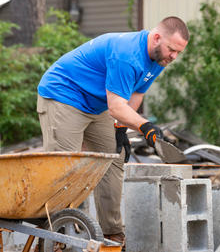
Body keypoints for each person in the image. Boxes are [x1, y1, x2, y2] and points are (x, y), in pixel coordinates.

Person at [36, 16, 189, 246]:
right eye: (171, 49)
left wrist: (120, 128)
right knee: (64, 166)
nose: (174, 57)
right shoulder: (126, 54)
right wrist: (145, 127)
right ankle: (57, 237)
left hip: (97, 104)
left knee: (112, 159)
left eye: (178, 52)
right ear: (156, 38)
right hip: (63, 95)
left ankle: (111, 235)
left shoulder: (159, 59)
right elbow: (117, 105)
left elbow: (136, 94)